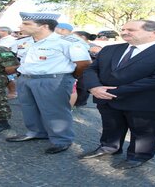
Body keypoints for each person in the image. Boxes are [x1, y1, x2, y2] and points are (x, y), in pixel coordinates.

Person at [79, 20, 155, 170]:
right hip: (106, 99)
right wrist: (94, 87)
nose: (124, 32)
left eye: (131, 29)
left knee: (144, 133)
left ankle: (139, 156)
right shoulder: (109, 50)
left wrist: (109, 91)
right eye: (123, 29)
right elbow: (91, 70)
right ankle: (109, 147)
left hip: (145, 102)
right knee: (111, 126)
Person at [5, 12, 91, 155]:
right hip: (25, 78)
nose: (20, 26)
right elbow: (16, 60)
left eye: (26, 24)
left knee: (55, 111)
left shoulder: (66, 42)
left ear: (44, 26)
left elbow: (84, 63)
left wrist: (69, 77)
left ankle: (62, 140)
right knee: (28, 108)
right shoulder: (21, 42)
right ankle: (36, 132)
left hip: (53, 80)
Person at [54, 22, 90, 107]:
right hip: (70, 69)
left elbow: (84, 62)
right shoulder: (72, 38)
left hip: (69, 70)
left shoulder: (70, 39)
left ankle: (67, 109)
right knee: (72, 89)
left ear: (62, 30)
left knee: (71, 90)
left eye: (55, 29)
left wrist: (75, 75)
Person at [73, 31, 102, 107]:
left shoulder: (93, 46)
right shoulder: (77, 45)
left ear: (82, 37)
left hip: (86, 71)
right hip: (78, 69)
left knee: (82, 87)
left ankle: (80, 103)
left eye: (74, 36)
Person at [0, 26, 18, 99]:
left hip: (7, 59)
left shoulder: (12, 39)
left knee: (9, 77)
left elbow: (5, 49)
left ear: (5, 32)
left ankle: (12, 92)